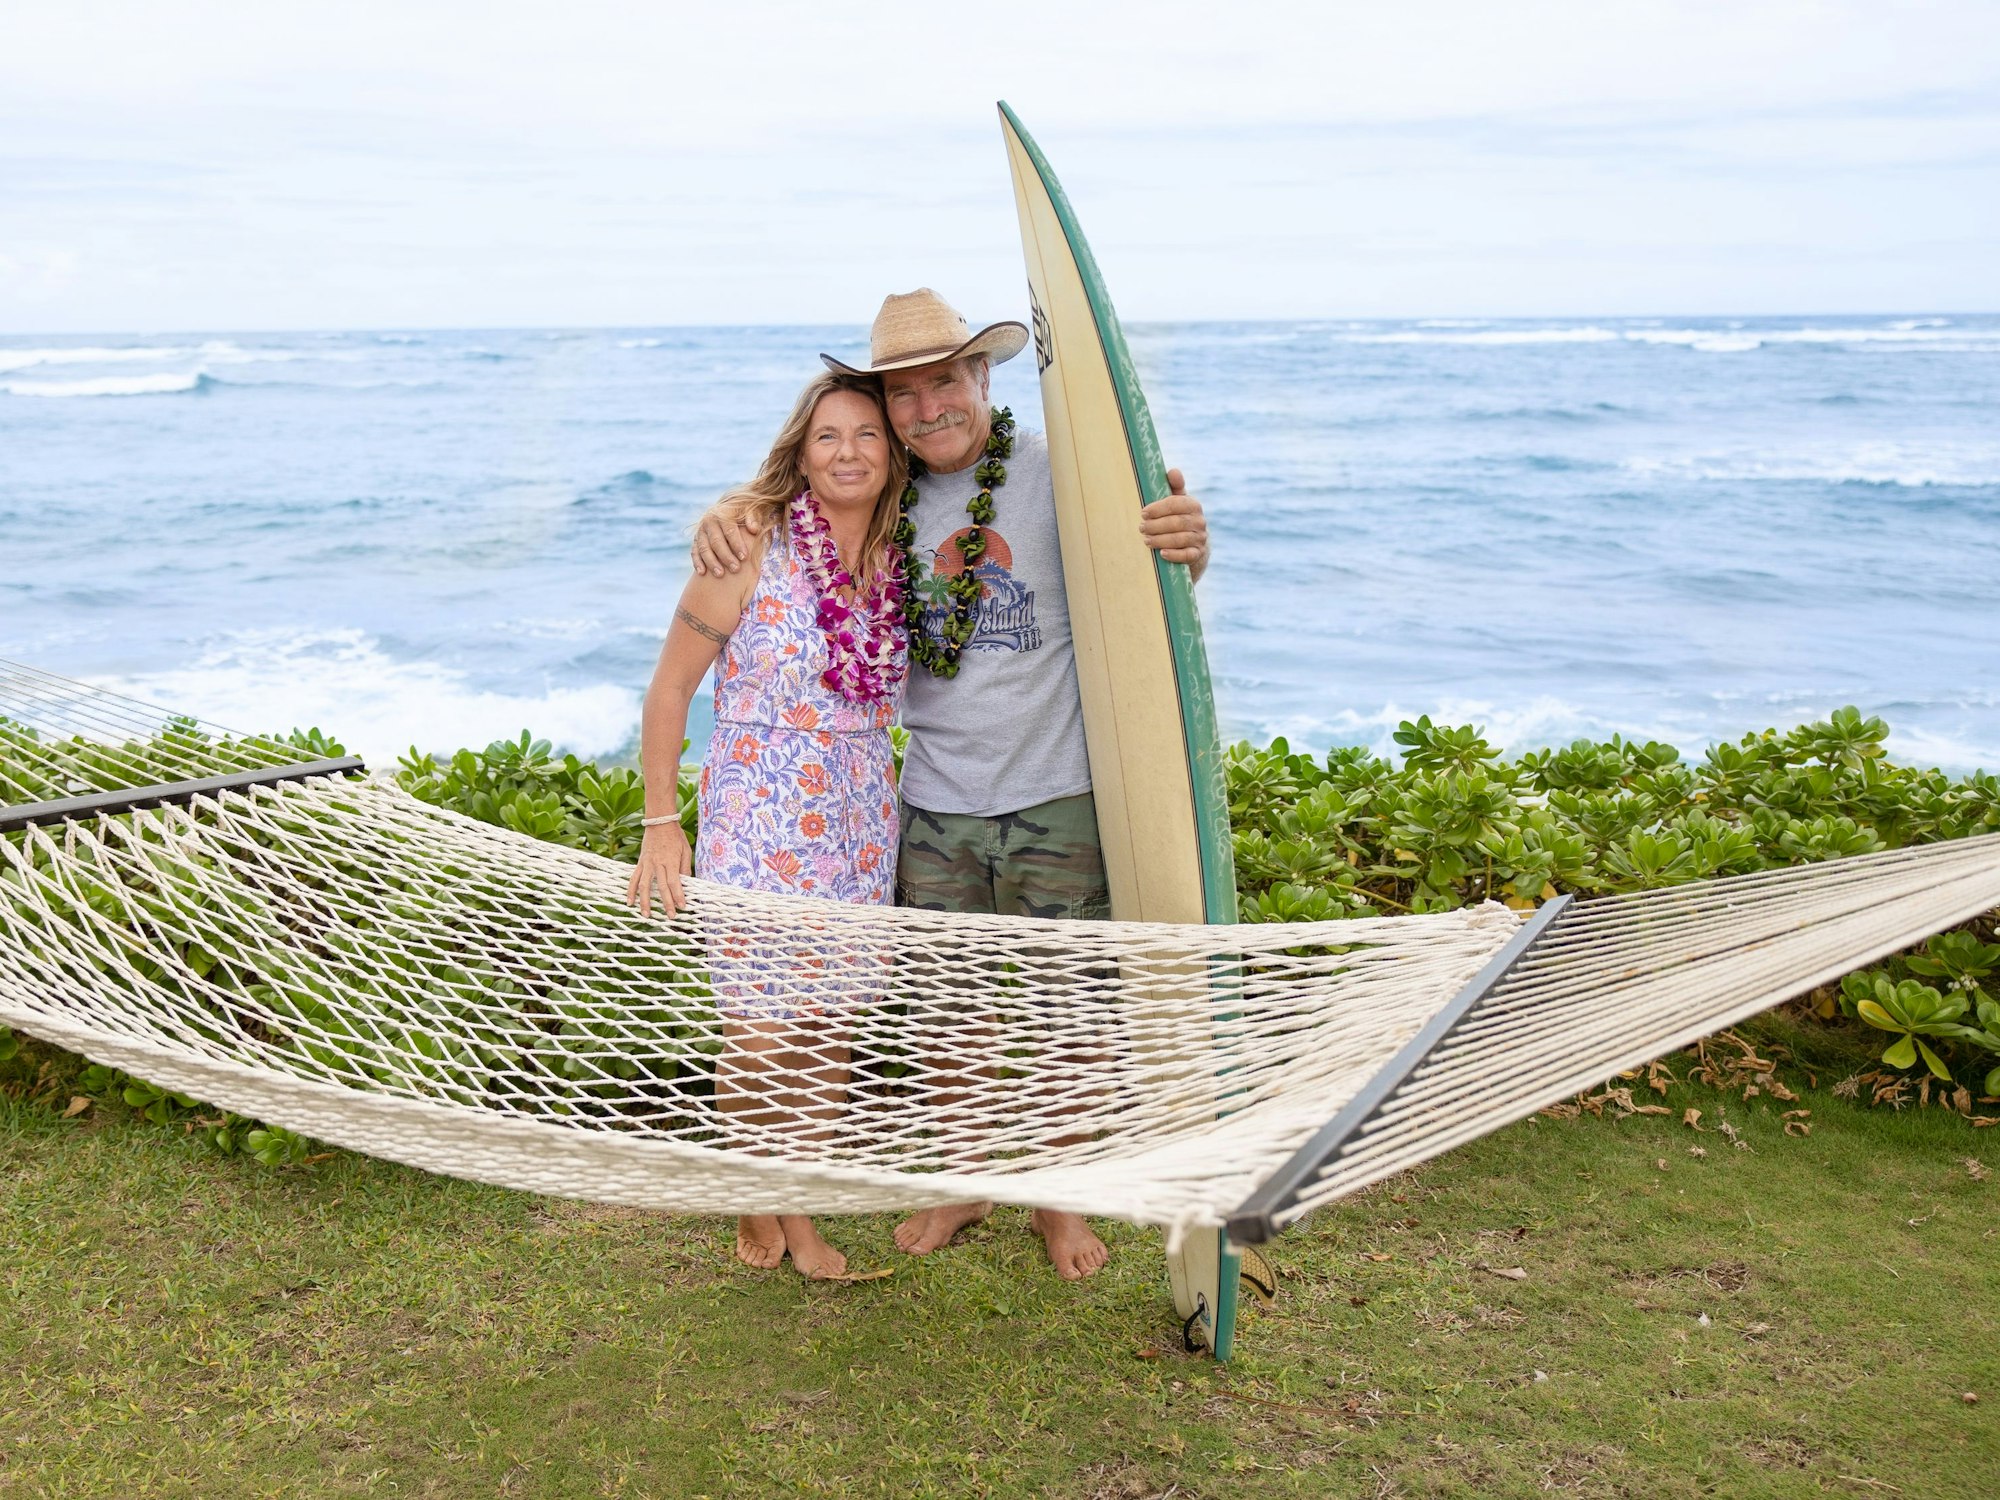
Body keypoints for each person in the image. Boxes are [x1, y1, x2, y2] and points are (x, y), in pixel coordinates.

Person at [690, 289, 1210, 1279]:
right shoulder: (876, 500)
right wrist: (726, 513)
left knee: (1069, 1019)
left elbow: (1151, 590)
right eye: (904, 394)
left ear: (983, 377)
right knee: (947, 1023)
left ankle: (1056, 1206)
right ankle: (963, 1183)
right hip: (927, 802)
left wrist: (1189, 541)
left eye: (945, 382)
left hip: (1056, 790)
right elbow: (782, 528)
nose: (927, 408)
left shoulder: (1062, 476)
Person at [630, 370, 909, 1280]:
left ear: (892, 451)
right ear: (801, 449)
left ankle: (781, 1187)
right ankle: (789, 1216)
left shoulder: (900, 554)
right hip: (760, 810)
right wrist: (661, 822)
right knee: (760, 1028)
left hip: (861, 814)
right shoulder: (749, 541)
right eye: (828, 436)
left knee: (829, 1027)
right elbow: (672, 689)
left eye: (867, 434)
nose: (848, 453)